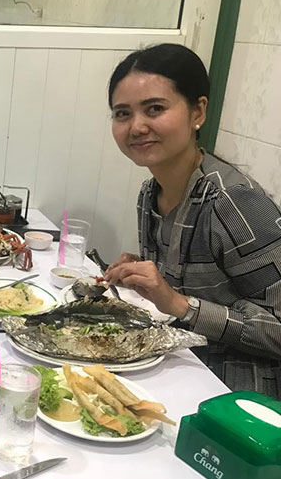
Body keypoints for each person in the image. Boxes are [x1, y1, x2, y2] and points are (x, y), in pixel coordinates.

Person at [103, 43, 281, 398]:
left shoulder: (234, 201)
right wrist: (145, 276)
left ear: (197, 111)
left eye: (155, 109)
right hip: (178, 364)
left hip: (238, 395)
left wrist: (178, 303)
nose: (136, 126)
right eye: (122, 114)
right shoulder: (150, 193)